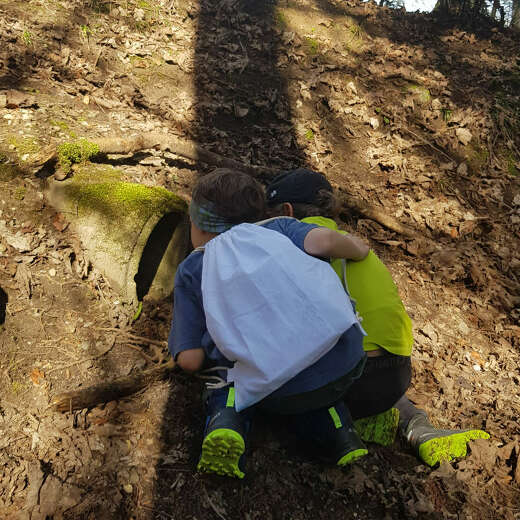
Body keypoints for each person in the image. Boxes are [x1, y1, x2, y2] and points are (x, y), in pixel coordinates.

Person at [266, 168, 489, 467]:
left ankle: (341, 426)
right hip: (396, 374)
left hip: (350, 379)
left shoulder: (288, 242)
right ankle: (417, 427)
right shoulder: (351, 242)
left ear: (286, 211)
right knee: (357, 361)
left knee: (275, 395)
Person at [168, 168, 371, 478]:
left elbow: (191, 360)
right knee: (315, 384)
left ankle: (226, 422)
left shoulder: (192, 268)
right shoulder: (279, 227)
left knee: (224, 370)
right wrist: (358, 247)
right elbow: (326, 241)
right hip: (345, 361)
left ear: (197, 225)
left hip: (279, 391)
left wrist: (191, 352)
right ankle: (339, 433)